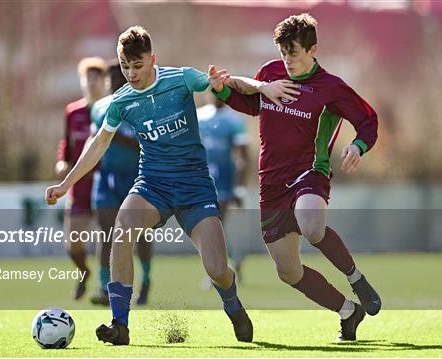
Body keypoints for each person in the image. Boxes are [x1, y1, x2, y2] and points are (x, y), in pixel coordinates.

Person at [45, 26, 291, 345]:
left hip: (195, 188)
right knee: (122, 229)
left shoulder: (181, 79)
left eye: (138, 65)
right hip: (152, 185)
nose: (132, 74)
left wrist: (262, 87)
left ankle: (233, 306)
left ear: (152, 59)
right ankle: (120, 324)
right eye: (125, 67)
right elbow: (98, 144)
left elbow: (228, 82)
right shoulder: (121, 101)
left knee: (217, 269)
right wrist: (66, 183)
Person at [209, 13, 381, 341]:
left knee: (311, 225)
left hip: (309, 172)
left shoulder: (331, 87)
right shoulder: (270, 73)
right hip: (270, 183)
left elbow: (368, 119)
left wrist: (358, 146)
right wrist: (222, 91)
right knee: (288, 271)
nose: (287, 60)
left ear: (312, 49)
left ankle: (355, 277)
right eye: (284, 52)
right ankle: (348, 311)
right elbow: (250, 104)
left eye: (295, 53)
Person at [89, 59, 153, 306]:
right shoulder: (99, 109)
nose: (115, 84)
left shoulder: (142, 106)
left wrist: (119, 137)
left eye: (120, 79)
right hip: (107, 177)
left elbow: (146, 140)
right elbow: (96, 142)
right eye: (111, 80)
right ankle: (105, 288)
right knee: (106, 233)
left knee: (140, 233)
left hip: (137, 177)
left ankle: (146, 280)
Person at [55, 56, 106, 300]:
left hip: (105, 185)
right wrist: (62, 161)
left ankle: (106, 288)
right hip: (79, 187)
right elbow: (67, 142)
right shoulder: (72, 112)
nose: (91, 83)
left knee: (106, 241)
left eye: (96, 78)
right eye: (88, 78)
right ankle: (84, 271)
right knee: (73, 246)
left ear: (104, 82)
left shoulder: (110, 110)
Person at [197, 96, 250, 287]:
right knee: (209, 227)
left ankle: (216, 273)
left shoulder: (234, 120)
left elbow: (243, 157)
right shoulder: (199, 116)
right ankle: (232, 262)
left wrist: (240, 188)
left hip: (225, 181)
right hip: (203, 180)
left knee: (215, 225)